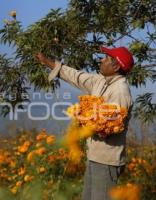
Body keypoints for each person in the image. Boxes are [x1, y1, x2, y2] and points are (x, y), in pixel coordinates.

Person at [35, 46, 134, 200]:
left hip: (107, 161)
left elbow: (110, 127)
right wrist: (49, 63)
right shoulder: (101, 81)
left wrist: (83, 118)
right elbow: (77, 76)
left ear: (116, 66)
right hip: (95, 156)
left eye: (106, 58)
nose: (101, 59)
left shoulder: (120, 91)